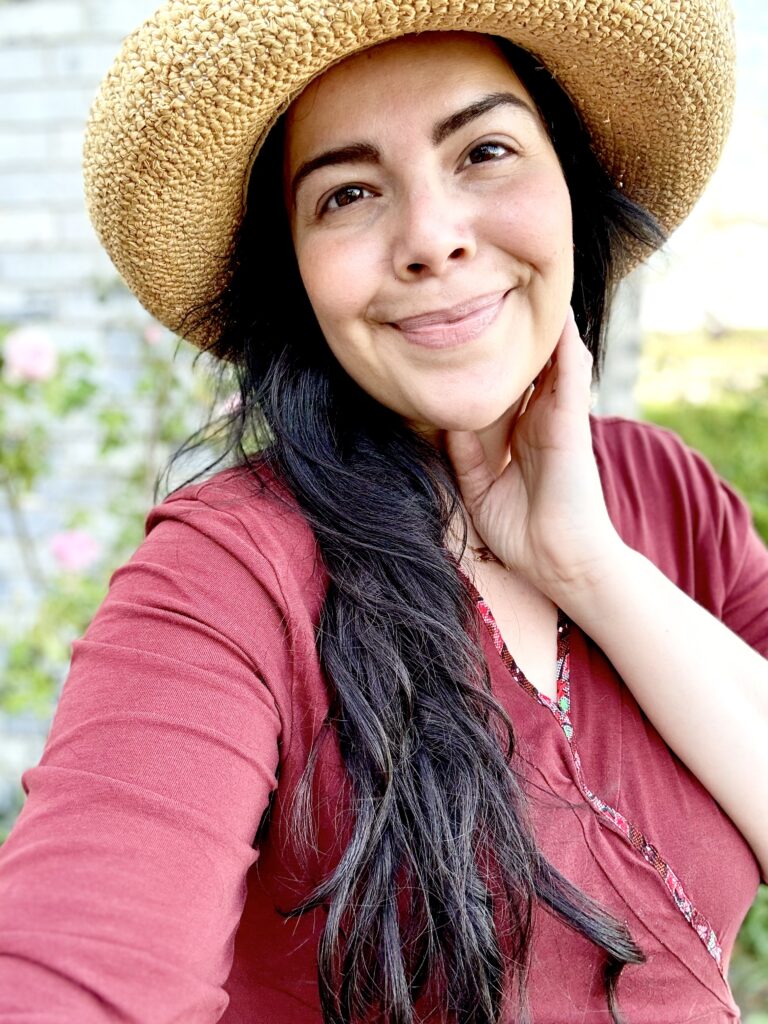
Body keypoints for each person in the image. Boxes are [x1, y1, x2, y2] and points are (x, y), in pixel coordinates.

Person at [0, 0, 766, 1021]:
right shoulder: (231, 574)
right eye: (348, 193)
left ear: (570, 183)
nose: (431, 240)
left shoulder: (665, 490)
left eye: (485, 151)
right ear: (294, 270)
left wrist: (591, 568)